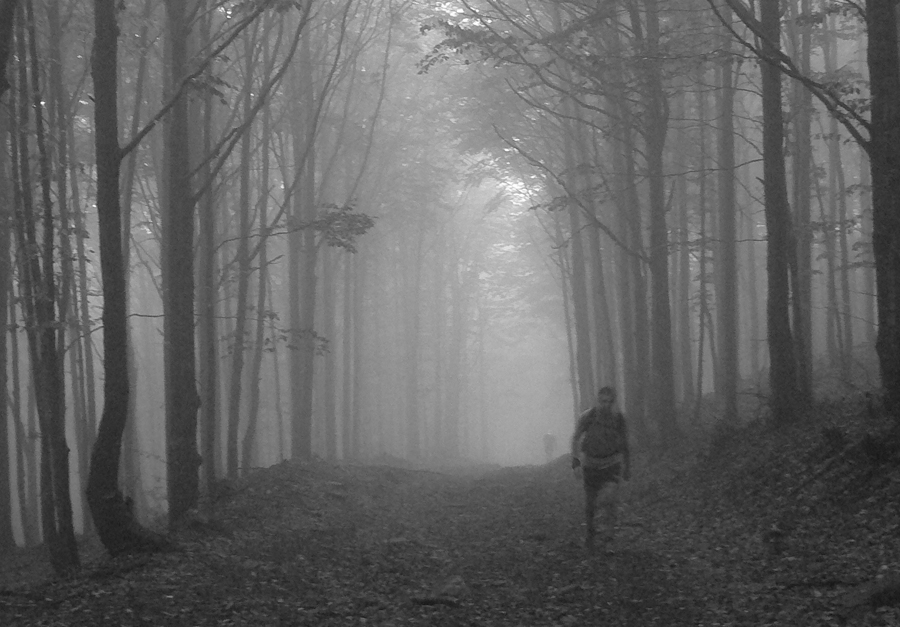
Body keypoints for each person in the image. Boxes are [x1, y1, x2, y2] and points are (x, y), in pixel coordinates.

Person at [571, 385, 631, 550]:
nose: (606, 405)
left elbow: (625, 443)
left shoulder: (618, 419)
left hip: (612, 464)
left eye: (609, 402)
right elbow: (576, 438)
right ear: (597, 401)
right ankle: (591, 532)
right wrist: (575, 462)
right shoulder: (587, 417)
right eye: (603, 401)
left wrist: (627, 466)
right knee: (590, 503)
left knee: (609, 499)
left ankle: (609, 537)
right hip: (591, 465)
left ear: (613, 402)